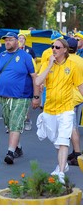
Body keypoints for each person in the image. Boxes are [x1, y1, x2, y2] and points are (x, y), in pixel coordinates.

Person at [0, 32, 40, 165]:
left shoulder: (25, 57)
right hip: (4, 96)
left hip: (21, 96)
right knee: (9, 123)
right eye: (6, 40)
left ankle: (10, 152)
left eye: (10, 40)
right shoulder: (1, 56)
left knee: (15, 123)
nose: (7, 42)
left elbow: (34, 77)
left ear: (17, 41)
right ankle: (18, 147)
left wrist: (36, 97)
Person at [36, 38, 83, 183]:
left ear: (64, 50)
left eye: (57, 47)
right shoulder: (46, 63)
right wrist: (49, 65)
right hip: (50, 109)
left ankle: (61, 172)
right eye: (52, 47)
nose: (54, 49)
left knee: (63, 140)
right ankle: (63, 164)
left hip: (67, 109)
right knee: (55, 139)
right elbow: (38, 82)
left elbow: (80, 86)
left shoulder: (72, 66)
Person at [64, 38, 83, 166]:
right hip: (79, 96)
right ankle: (74, 151)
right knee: (73, 125)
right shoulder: (81, 60)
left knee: (72, 127)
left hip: (69, 97)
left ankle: (77, 154)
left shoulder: (66, 61)